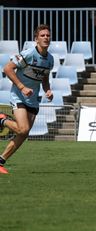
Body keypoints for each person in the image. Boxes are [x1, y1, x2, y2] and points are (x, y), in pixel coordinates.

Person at [0, 24, 54, 174]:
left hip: (33, 99)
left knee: (24, 134)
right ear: (36, 39)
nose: (46, 38)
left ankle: (1, 160)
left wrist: (48, 90)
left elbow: (44, 78)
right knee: (23, 129)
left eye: (48, 35)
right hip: (18, 95)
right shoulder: (29, 53)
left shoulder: (50, 59)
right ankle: (2, 119)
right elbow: (7, 69)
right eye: (42, 35)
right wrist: (22, 87)